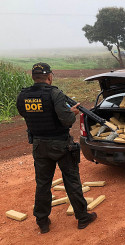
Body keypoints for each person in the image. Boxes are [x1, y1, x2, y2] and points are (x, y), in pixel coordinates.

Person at [16, 63, 97, 234]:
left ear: (33, 77)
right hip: (60, 144)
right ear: (50, 76)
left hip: (39, 144)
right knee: (72, 181)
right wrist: (73, 112)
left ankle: (43, 222)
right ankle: (82, 218)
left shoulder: (23, 95)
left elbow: (26, 114)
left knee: (43, 184)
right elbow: (66, 120)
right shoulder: (55, 93)